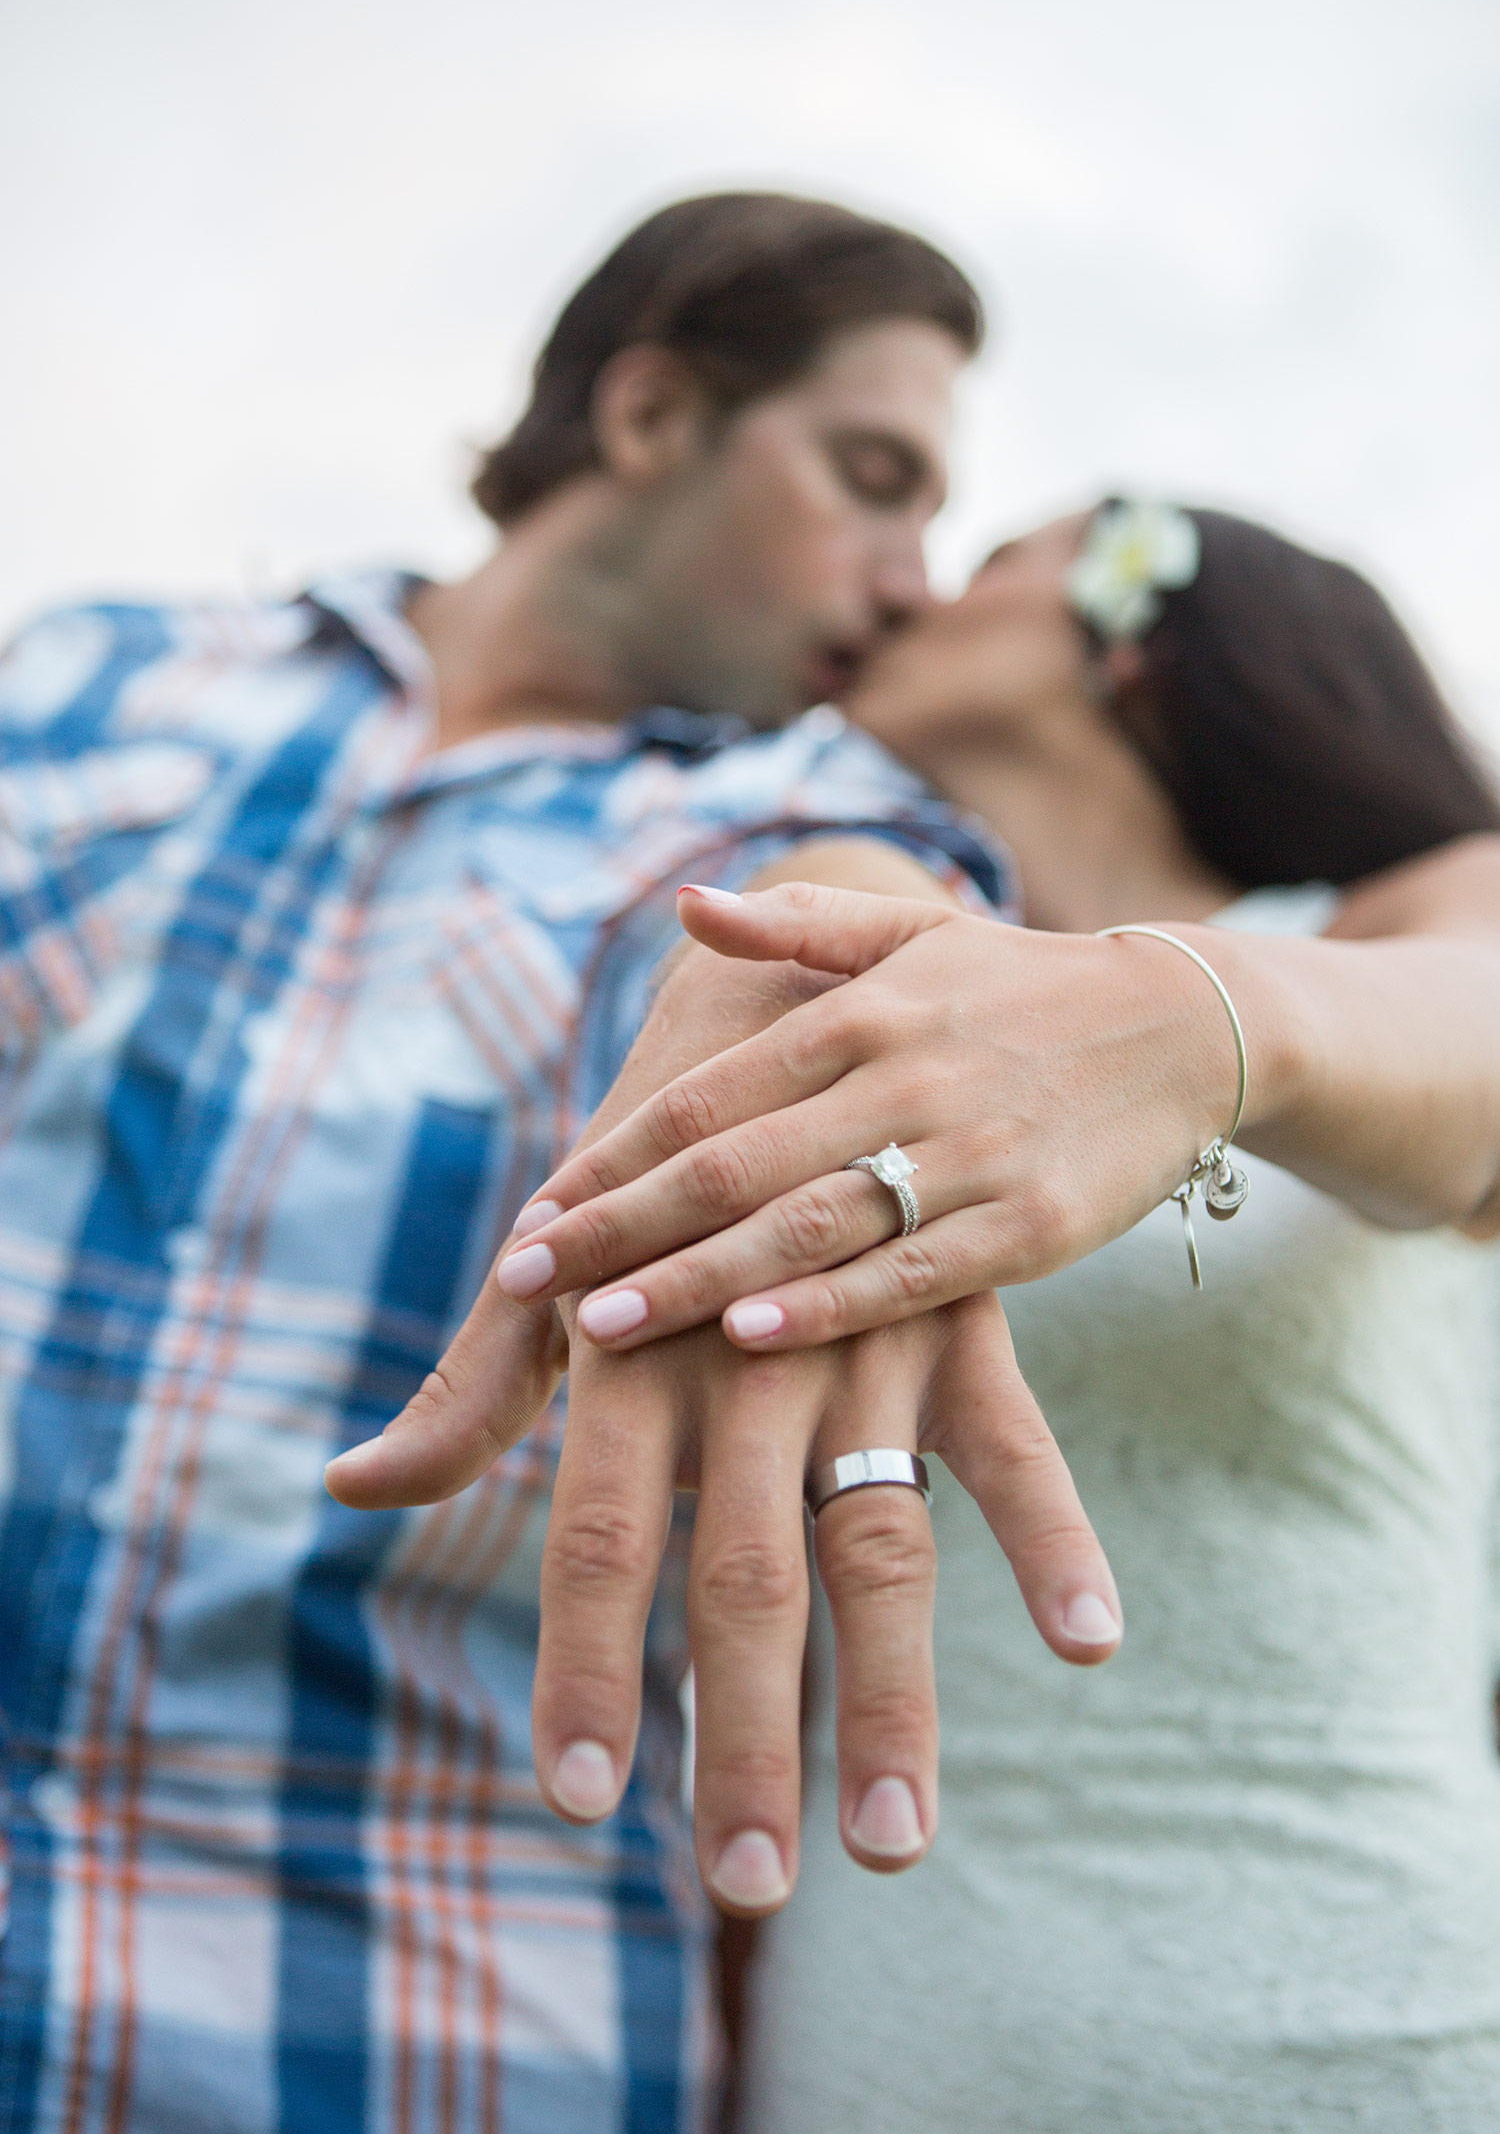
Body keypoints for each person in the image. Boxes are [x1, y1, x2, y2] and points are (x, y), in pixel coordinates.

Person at [0, 190, 1100, 2134]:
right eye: (871, 476)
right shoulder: (96, 675)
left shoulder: (782, 806)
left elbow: (851, 906)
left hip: (398, 2032)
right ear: (656, 410)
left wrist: (861, 1005)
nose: (911, 579)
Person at [472, 502, 1500, 2129]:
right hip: (892, 2026)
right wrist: (833, 900)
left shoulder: (1418, 911)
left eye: (1000, 552)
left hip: (1373, 2004)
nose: (921, 589)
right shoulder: (825, 975)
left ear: (1132, 630)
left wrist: (1181, 1018)